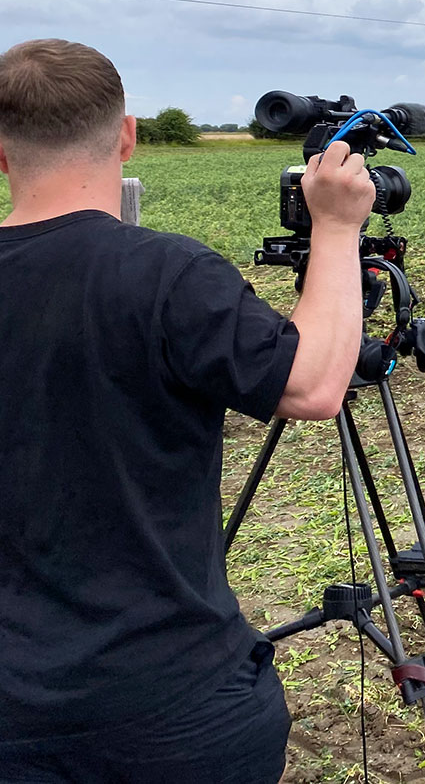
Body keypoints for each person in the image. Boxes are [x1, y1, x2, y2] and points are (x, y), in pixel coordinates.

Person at [0, 39, 375, 783]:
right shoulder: (166, 273)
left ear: (2, 153)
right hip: (175, 710)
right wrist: (335, 229)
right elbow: (313, 385)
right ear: (128, 133)